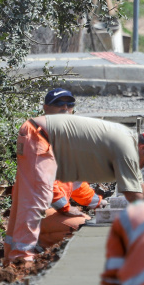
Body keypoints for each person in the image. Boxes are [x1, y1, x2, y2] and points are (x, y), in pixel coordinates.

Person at [3, 112, 144, 264]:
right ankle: (22, 260)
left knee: (25, 203)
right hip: (40, 137)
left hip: (37, 133)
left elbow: (137, 186)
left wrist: (98, 203)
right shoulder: (125, 148)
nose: (141, 167)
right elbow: (133, 195)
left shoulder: (125, 141)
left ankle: (11, 258)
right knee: (75, 223)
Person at [37, 89, 107, 248]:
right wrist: (66, 208)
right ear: (46, 108)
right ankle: (36, 244)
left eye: (69, 104)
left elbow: (75, 184)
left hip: (50, 210)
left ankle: (41, 244)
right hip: (38, 211)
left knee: (88, 225)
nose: (65, 108)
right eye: (59, 104)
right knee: (84, 227)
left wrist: (98, 203)